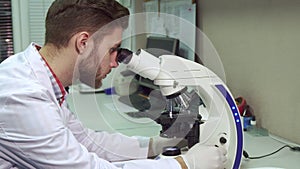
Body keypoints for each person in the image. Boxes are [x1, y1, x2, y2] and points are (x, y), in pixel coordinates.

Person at [0, 0, 226, 168]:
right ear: (84, 43)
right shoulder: (23, 95)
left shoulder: (42, 79)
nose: (115, 62)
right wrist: (185, 164)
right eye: (112, 49)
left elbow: (88, 142)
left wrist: (155, 145)